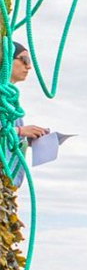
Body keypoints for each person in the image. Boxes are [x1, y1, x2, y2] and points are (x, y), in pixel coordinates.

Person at [7, 42, 49, 187]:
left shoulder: (11, 101)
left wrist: (26, 137)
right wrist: (21, 131)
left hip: (7, 185)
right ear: (6, 60)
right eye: (24, 60)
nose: (29, 66)